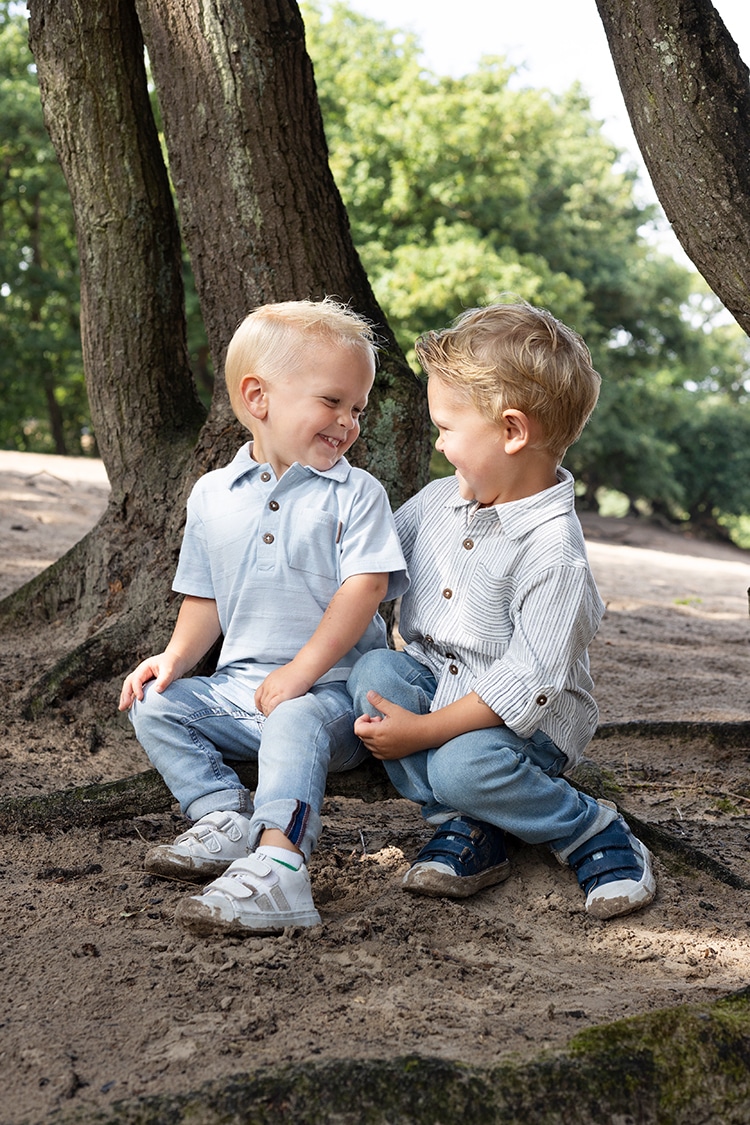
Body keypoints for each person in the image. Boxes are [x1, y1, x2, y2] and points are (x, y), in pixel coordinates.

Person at [348, 301, 656, 920]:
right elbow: (370, 570)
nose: (439, 444)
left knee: (463, 765)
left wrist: (419, 733)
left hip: (525, 725)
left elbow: (524, 684)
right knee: (375, 675)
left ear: (512, 431)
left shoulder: (554, 555)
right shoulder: (437, 502)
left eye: (446, 428)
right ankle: (470, 825)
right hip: (438, 684)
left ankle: (588, 829)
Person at [119, 298, 408, 936]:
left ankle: (281, 866)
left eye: (358, 409)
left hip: (334, 697)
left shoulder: (357, 493)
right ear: (259, 397)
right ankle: (222, 815)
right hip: (239, 691)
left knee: (294, 718)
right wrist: (174, 658)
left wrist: (300, 674)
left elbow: (364, 590)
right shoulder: (212, 495)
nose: (349, 422)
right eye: (333, 401)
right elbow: (205, 597)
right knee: (153, 702)